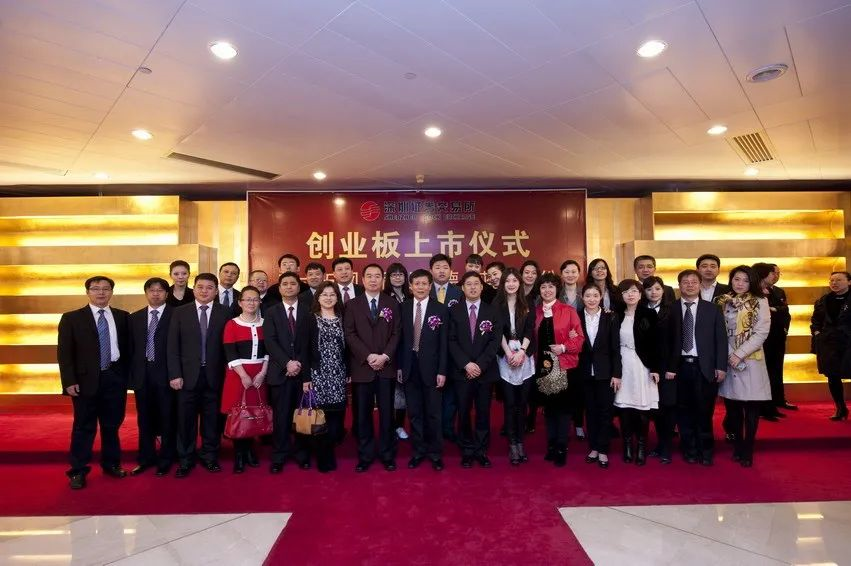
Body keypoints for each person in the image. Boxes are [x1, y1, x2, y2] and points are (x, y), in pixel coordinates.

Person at [58, 276, 131, 489]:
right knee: (84, 426)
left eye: (106, 289)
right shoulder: (72, 318)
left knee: (111, 426)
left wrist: (126, 377)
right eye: (96, 289)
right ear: (87, 292)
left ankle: (111, 464)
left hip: (114, 378)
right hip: (84, 381)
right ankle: (78, 471)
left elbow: (129, 350)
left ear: (112, 292)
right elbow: (64, 353)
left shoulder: (123, 317)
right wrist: (69, 381)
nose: (101, 292)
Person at [167, 273, 230, 478]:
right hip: (186, 377)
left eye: (209, 288)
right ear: (193, 289)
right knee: (185, 421)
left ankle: (210, 456)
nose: (204, 291)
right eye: (200, 287)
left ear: (216, 291)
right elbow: (172, 346)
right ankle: (185, 459)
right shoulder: (180, 312)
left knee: (212, 420)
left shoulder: (225, 312)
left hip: (215, 376)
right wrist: (175, 374)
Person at [344, 264, 401, 472]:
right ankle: (365, 455)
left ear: (382, 279)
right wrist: (368, 356)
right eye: (369, 276)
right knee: (362, 415)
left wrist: (385, 356)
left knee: (387, 414)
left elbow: (397, 332)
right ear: (362, 279)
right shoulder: (352, 305)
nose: (373, 279)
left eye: (377, 276)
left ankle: (387, 454)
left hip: (386, 367)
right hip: (362, 367)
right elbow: (349, 334)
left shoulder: (392, 303)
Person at [667, 269, 727, 466]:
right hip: (679, 368)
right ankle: (689, 450)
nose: (690, 285)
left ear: (700, 285)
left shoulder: (712, 309)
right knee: (683, 412)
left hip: (704, 367)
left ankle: (706, 450)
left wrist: (720, 366)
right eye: (685, 282)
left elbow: (721, 340)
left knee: (704, 411)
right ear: (679, 286)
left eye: (694, 281)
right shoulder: (670, 309)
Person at [716, 266, 772, 467]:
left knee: (751, 409)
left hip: (750, 360)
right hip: (728, 358)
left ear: (752, 282)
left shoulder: (760, 301)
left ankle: (748, 448)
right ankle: (738, 445)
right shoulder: (723, 301)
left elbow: (761, 332)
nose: (740, 284)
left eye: (745, 280)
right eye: (736, 279)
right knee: (733, 409)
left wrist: (739, 354)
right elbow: (719, 331)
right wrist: (730, 354)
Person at [449, 271, 503, 468]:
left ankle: (481, 450)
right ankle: (467, 449)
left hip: (484, 372)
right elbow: (451, 340)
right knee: (463, 412)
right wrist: (466, 364)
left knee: (483, 412)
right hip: (462, 371)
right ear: (462, 288)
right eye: (468, 284)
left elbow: (494, 341)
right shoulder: (454, 311)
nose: (472, 287)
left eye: (476, 284)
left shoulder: (492, 311)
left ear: (482, 287)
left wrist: (480, 365)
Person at [399, 269, 449, 471]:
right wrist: (400, 366)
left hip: (433, 370)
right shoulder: (403, 307)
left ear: (430, 286)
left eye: (424, 284)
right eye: (416, 284)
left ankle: (435, 453)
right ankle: (418, 451)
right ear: (411, 287)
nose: (420, 287)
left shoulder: (441, 309)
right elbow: (399, 340)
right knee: (415, 413)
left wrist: (442, 370)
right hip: (409, 368)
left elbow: (444, 344)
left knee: (434, 414)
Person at [534, 272, 584, 467]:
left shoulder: (568, 311)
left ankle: (562, 447)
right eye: (543, 287)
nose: (547, 290)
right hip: (543, 368)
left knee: (563, 409)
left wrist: (563, 347)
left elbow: (579, 338)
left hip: (564, 366)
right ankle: (551, 445)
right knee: (549, 409)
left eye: (551, 286)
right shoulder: (535, 312)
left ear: (557, 289)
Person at [263, 272, 311, 472]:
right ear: (279, 288)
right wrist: (287, 363)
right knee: (281, 417)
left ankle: (302, 454)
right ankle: (279, 455)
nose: (289, 287)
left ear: (299, 287)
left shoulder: (309, 310)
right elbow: (270, 341)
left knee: (302, 416)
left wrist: (299, 365)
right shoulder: (271, 312)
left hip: (303, 373)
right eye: (285, 284)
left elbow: (310, 343)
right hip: (280, 373)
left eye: (293, 283)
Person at [128, 277, 175, 477]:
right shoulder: (134, 318)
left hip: (167, 375)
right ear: (146, 293)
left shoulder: (176, 315)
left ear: (167, 293)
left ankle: (166, 459)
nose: (156, 294)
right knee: (144, 419)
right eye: (152, 290)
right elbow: (130, 349)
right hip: (143, 375)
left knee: (167, 417)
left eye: (160, 290)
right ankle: (146, 458)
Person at [221, 286, 269, 473]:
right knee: (239, 414)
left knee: (254, 413)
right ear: (240, 302)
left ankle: (250, 451)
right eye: (247, 299)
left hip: (259, 374)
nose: (251, 303)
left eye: (255, 299)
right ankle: (239, 455)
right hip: (237, 374)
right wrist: (243, 375)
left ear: (260, 302)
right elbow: (230, 352)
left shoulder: (266, 323)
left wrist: (262, 373)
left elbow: (269, 350)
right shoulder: (231, 324)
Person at [613, 279, 661, 466]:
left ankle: (641, 446)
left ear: (640, 294)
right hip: (623, 364)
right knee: (624, 407)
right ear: (621, 296)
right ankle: (627, 445)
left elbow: (656, 343)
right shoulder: (615, 315)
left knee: (642, 408)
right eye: (626, 292)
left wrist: (655, 368)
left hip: (643, 365)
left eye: (634, 291)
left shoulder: (649, 314)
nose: (630, 295)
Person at [304, 282, 348, 472]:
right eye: (324, 294)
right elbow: (304, 350)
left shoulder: (343, 318)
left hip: (338, 374)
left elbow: (349, 348)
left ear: (337, 298)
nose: (328, 298)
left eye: (332, 294)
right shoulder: (310, 319)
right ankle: (324, 457)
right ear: (318, 298)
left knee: (336, 419)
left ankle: (330, 448)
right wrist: (306, 378)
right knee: (320, 419)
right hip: (318, 375)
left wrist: (349, 372)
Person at [495, 268, 536, 465]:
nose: (511, 284)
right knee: (510, 403)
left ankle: (521, 442)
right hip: (505, 356)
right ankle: (512, 444)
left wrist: (521, 352)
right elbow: (497, 332)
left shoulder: (527, 302)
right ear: (503, 284)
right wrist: (508, 353)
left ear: (519, 283)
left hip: (524, 355)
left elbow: (529, 329)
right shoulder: (497, 304)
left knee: (522, 403)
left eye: (514, 281)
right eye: (507, 281)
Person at [577, 284, 620, 469]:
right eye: (588, 295)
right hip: (584, 371)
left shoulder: (611, 317)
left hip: (606, 372)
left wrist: (617, 374)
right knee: (590, 411)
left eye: (595, 295)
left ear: (601, 297)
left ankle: (603, 448)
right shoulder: (576, 317)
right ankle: (593, 447)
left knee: (605, 411)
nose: (592, 299)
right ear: (582, 297)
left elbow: (616, 348)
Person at [643, 276, 676, 463]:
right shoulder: (640, 310)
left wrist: (672, 367)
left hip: (666, 367)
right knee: (654, 408)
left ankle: (666, 447)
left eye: (657, 288)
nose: (653, 292)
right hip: (647, 366)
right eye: (649, 289)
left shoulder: (672, 310)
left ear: (663, 290)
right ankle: (658, 445)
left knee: (667, 406)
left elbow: (676, 341)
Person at [811, 271, 851, 421]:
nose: (834, 283)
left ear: (849, 282)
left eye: (839, 280)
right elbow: (816, 320)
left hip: (849, 342)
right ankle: (840, 408)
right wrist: (817, 333)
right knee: (832, 376)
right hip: (829, 343)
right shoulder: (824, 300)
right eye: (832, 280)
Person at [763, 263, 797, 412]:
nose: (776, 276)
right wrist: (777, 310)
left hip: (778, 335)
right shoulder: (758, 291)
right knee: (765, 370)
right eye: (773, 273)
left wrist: (785, 329)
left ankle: (779, 399)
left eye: (778, 273)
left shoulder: (779, 291)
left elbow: (786, 311)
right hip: (764, 337)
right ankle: (766, 404)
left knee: (778, 368)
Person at [384, 262, 411, 440]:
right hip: (389, 349)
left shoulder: (411, 295)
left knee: (403, 392)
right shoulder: (384, 297)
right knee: (390, 392)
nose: (398, 277)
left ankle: (399, 425)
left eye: (401, 274)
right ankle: (389, 426)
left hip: (408, 347)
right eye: (394, 274)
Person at [559, 259, 586, 440]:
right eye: (566, 272)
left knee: (578, 387)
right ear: (561, 274)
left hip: (582, 347)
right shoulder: (555, 292)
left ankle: (578, 424)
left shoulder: (585, 292)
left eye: (573, 271)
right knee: (562, 388)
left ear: (579, 273)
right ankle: (562, 424)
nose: (570, 275)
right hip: (560, 348)